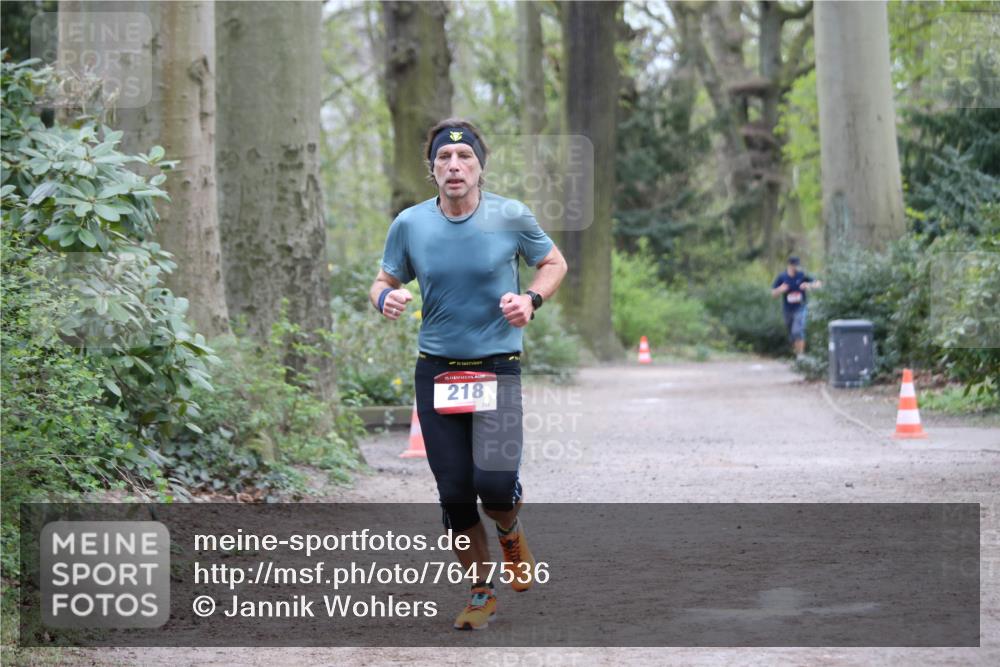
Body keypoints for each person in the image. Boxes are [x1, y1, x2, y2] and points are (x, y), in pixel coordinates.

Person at [368, 118, 568, 630]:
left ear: (480, 167)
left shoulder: (510, 215)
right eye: (444, 160)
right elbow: (382, 280)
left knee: (496, 486)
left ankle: (510, 529)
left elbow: (553, 263)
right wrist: (385, 298)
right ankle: (481, 592)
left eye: (465, 159)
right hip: (436, 371)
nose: (454, 167)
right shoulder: (410, 224)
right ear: (432, 169)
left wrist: (531, 299)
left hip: (497, 369)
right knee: (455, 493)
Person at [772, 256, 822, 357]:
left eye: (797, 265)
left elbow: (819, 284)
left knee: (798, 331)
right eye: (795, 265)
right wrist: (780, 290)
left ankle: (801, 356)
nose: (796, 267)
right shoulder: (782, 277)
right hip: (787, 309)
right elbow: (773, 294)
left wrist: (809, 285)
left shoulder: (802, 275)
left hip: (800, 308)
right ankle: (797, 355)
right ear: (790, 265)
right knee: (792, 333)